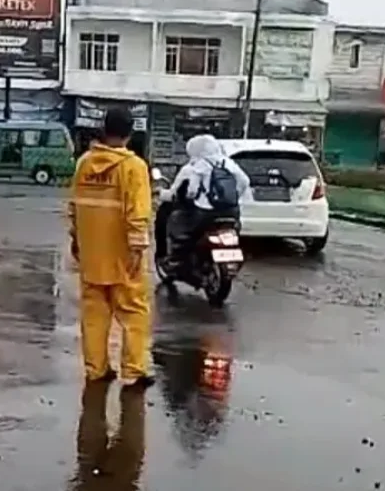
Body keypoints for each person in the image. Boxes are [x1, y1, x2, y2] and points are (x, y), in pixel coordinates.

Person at [68, 107, 154, 388]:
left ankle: (96, 369)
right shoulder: (134, 167)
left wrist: (76, 241)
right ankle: (134, 371)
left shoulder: (84, 163)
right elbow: (138, 213)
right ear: (130, 133)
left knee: (94, 314)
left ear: (104, 129)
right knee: (133, 312)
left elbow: (74, 207)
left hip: (92, 254)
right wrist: (137, 248)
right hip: (122, 255)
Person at [159, 134, 249, 273]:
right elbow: (244, 181)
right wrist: (234, 197)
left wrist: (190, 197)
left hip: (205, 213)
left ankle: (177, 259)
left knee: (180, 228)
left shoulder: (197, 166)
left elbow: (191, 191)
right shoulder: (228, 163)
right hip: (232, 211)